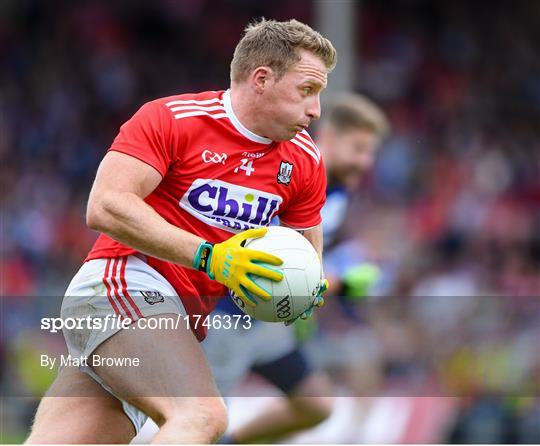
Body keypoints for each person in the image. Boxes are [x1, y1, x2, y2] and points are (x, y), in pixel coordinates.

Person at [25, 18, 336, 444]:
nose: (316, 109)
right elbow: (106, 205)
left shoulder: (304, 159)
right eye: (306, 91)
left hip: (178, 320)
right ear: (261, 79)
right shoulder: (173, 118)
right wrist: (212, 257)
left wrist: (303, 287)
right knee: (201, 416)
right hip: (122, 285)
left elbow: (306, 249)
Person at [185, 93, 388, 444]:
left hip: (266, 327)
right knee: (202, 425)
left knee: (316, 405)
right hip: (225, 320)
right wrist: (341, 283)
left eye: (371, 152)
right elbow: (274, 262)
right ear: (329, 139)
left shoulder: (337, 191)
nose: (365, 162)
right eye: (358, 149)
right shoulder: (291, 178)